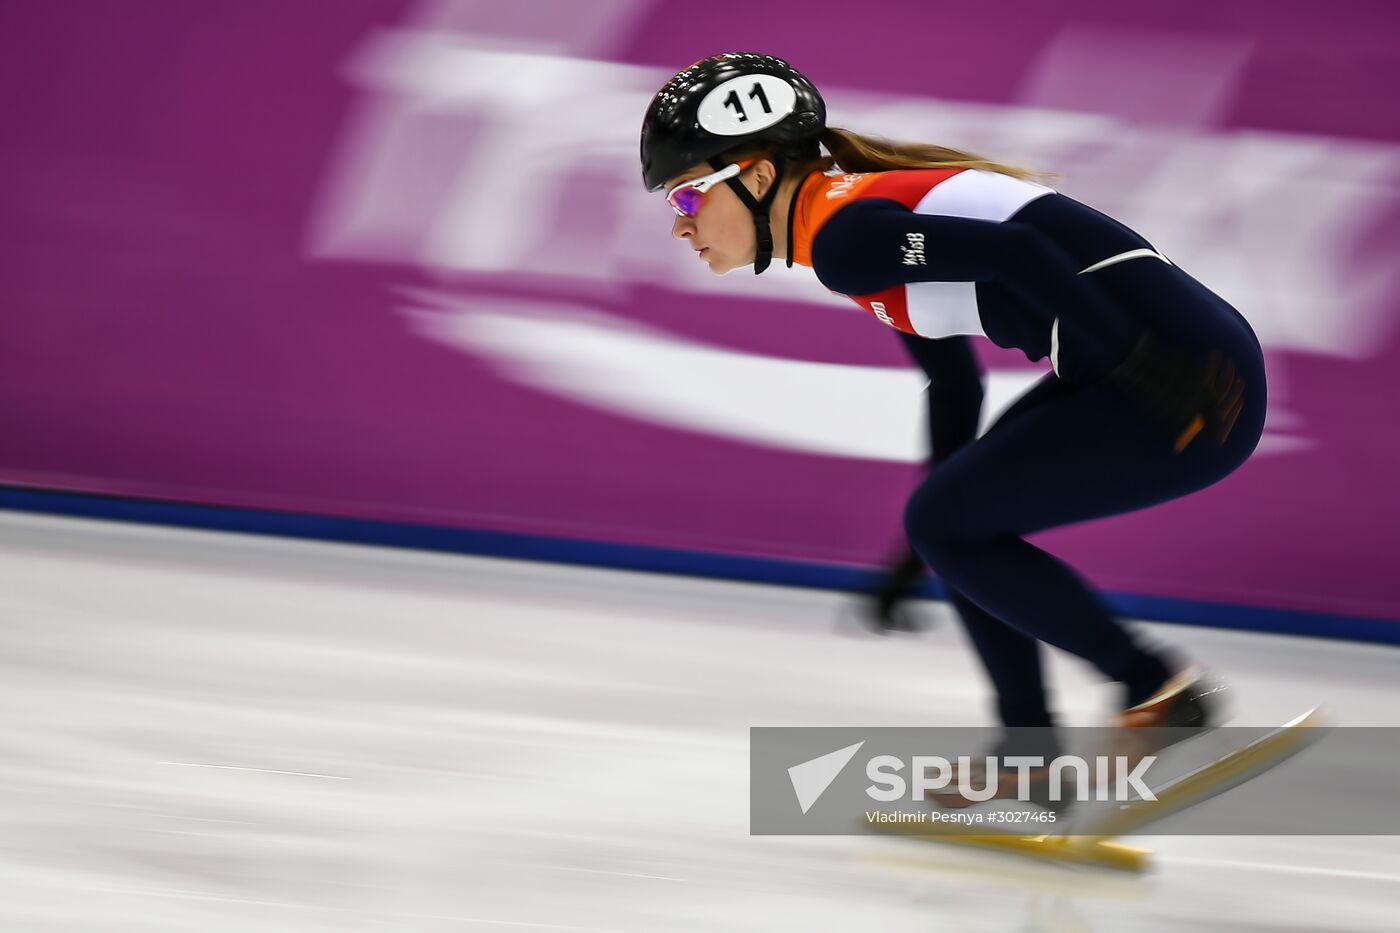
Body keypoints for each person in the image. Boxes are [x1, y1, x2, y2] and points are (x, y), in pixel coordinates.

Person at [639, 53, 1260, 746]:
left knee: (949, 522)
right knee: (951, 525)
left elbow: (1020, 253)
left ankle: (1155, 690)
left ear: (756, 176)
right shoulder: (842, 223)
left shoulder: (847, 239)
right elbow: (954, 381)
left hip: (1188, 376)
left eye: (686, 197)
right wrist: (920, 550)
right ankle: (1028, 752)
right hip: (1159, 362)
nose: (680, 226)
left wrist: (1148, 371)